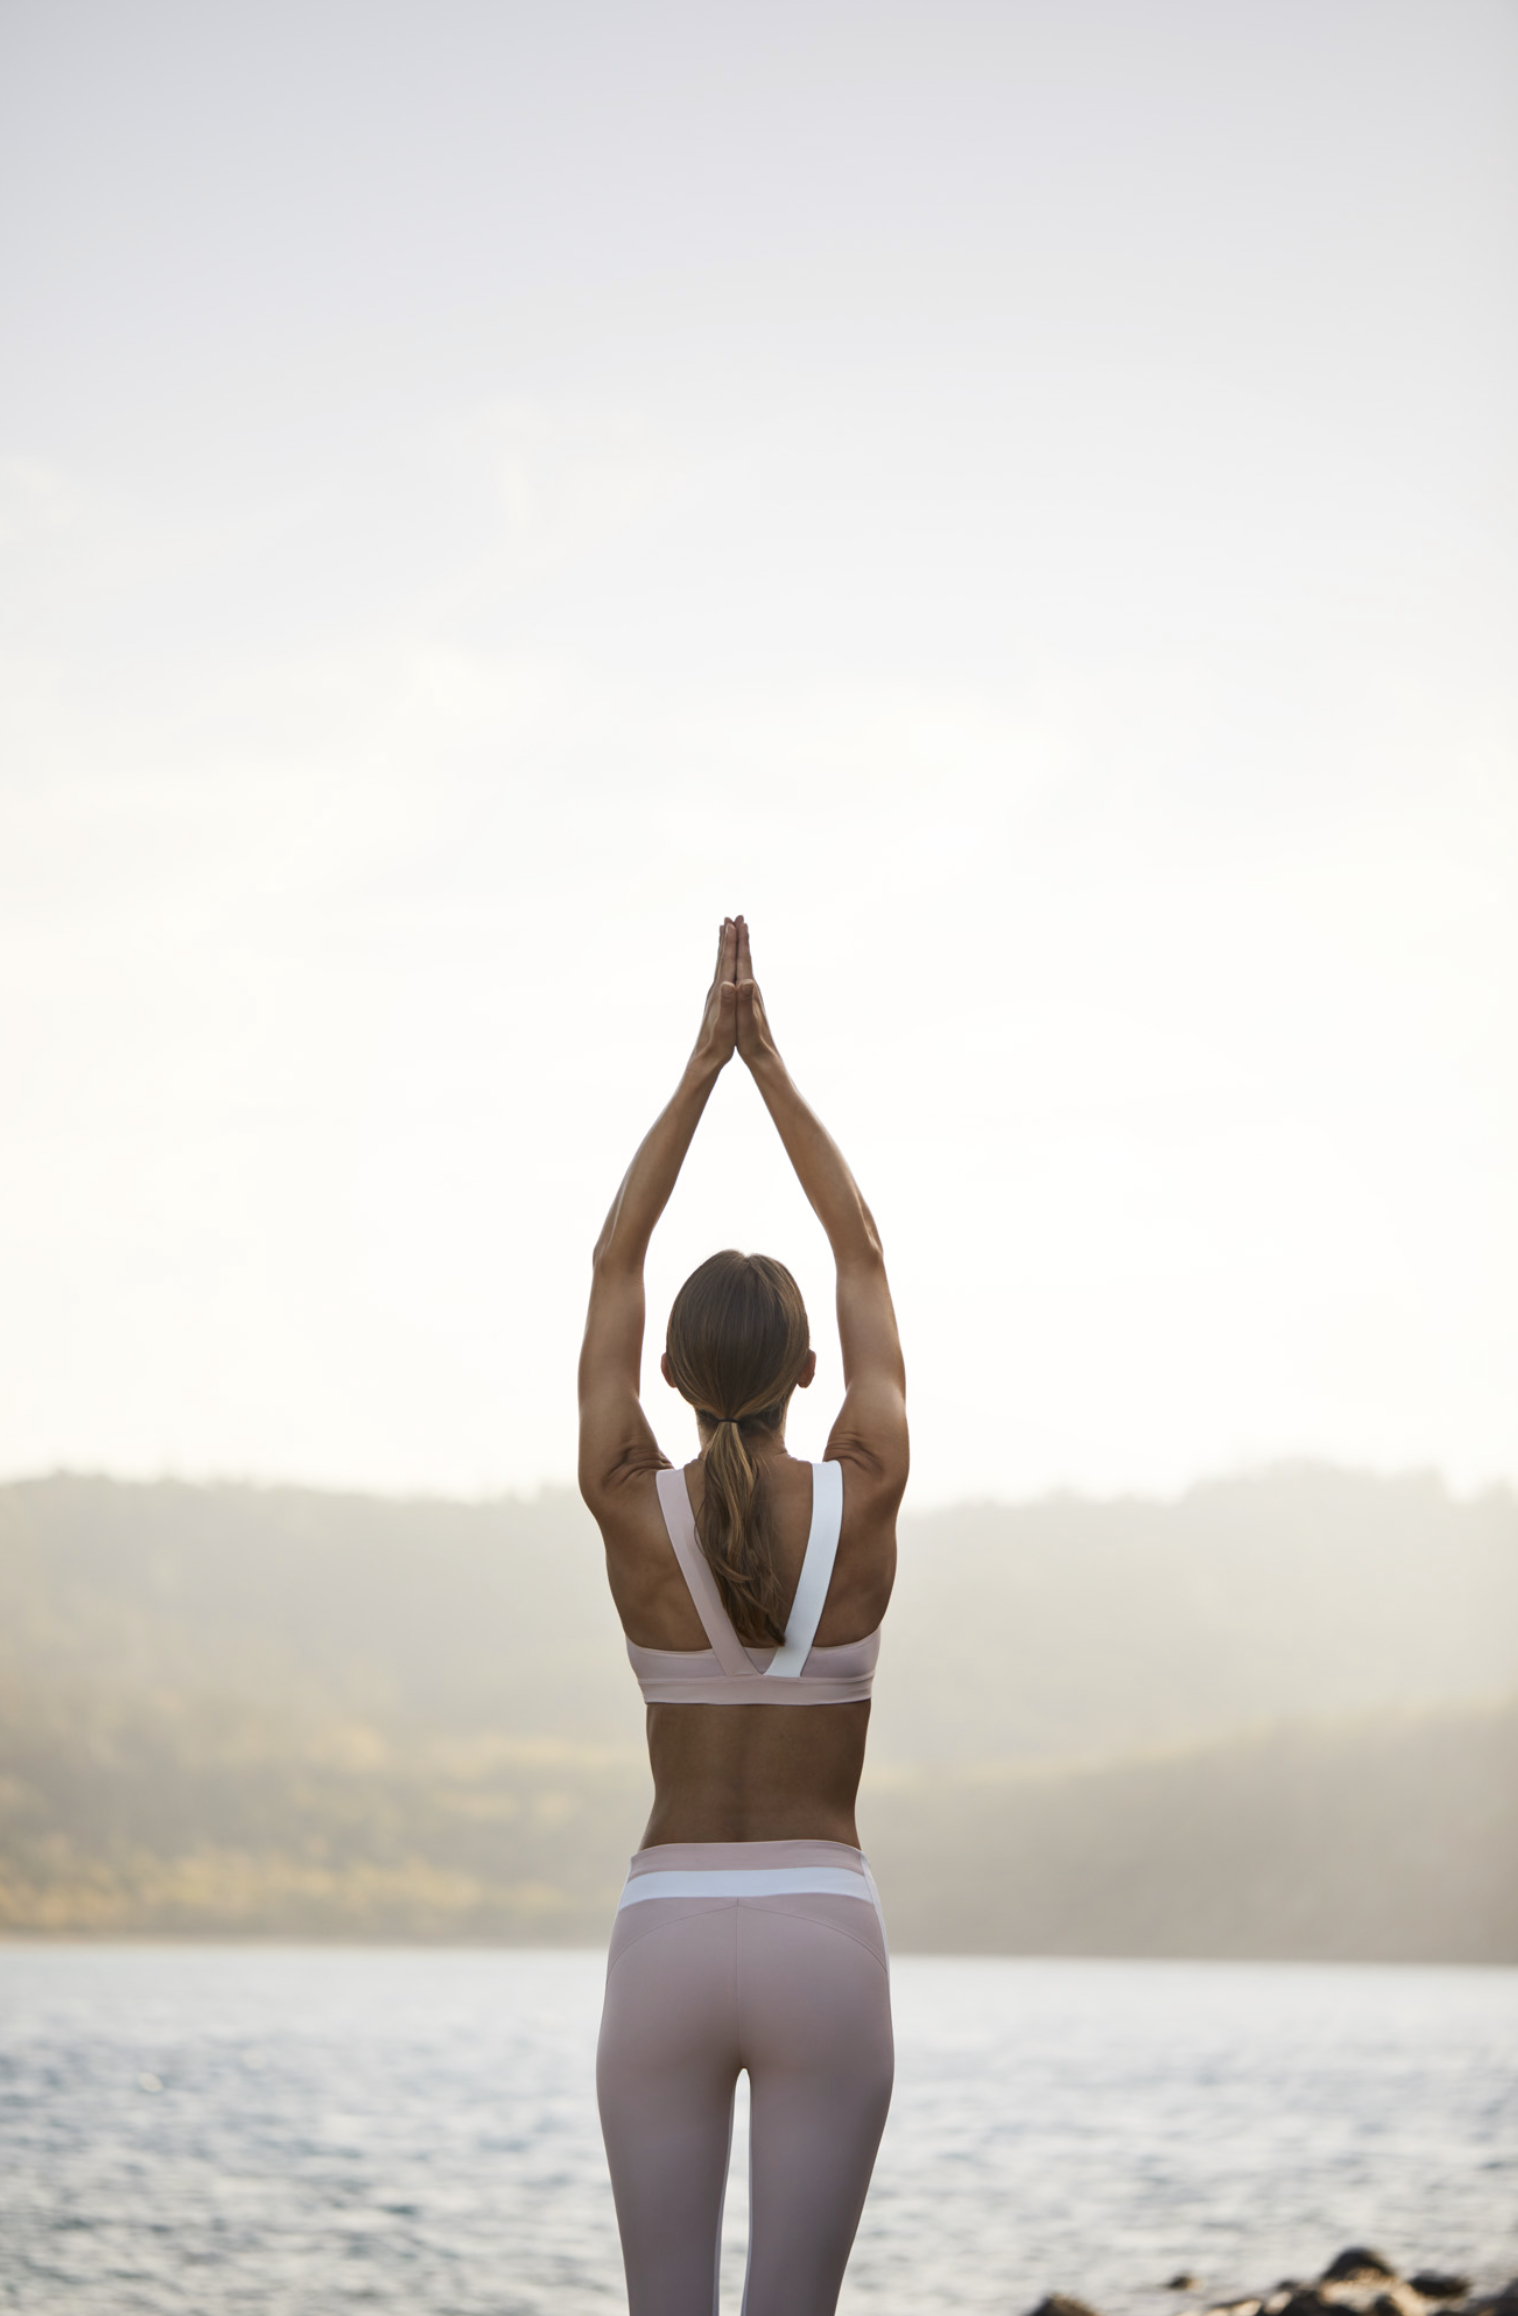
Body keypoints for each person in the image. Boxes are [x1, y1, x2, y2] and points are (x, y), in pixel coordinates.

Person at [578, 916, 909, 2316]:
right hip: (818, 1931)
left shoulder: (622, 1491)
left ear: (665, 1369)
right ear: (811, 1369)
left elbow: (611, 1259)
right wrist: (769, 1073)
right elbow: (862, 1248)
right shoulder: (868, 1485)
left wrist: (695, 1076)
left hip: (666, 1931)